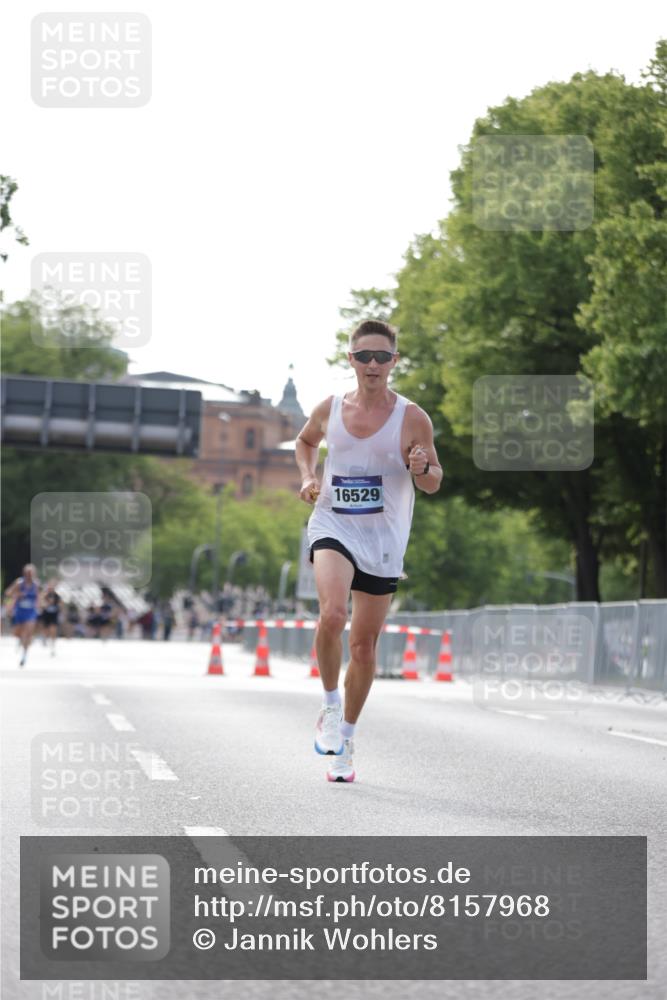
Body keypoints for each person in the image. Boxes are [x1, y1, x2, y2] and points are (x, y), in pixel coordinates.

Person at [295, 320, 442, 782]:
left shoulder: (412, 418)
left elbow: (434, 480)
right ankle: (331, 708)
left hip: (383, 539)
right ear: (351, 360)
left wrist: (421, 468)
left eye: (382, 357)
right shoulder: (330, 409)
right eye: (364, 357)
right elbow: (305, 442)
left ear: (394, 362)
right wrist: (308, 476)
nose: (373, 365)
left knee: (363, 645)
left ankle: (348, 743)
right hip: (333, 522)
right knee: (333, 615)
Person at [4, 564, 41, 667]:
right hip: (20, 611)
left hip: (31, 611)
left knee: (28, 631)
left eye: (31, 573)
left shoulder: (36, 584)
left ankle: (24, 655)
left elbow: (38, 597)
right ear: (24, 573)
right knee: (17, 633)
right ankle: (21, 640)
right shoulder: (19, 582)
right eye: (27, 573)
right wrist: (17, 595)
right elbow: (8, 593)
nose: (29, 575)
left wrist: (39, 607)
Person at [39, 581, 61, 656]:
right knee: (45, 629)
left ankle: (53, 644)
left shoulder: (57, 595)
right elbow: (41, 603)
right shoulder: (45, 595)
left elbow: (60, 604)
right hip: (46, 614)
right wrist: (46, 604)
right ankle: (45, 637)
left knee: (53, 629)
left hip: (53, 615)